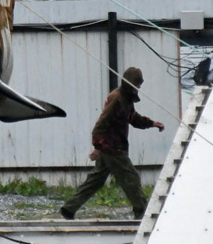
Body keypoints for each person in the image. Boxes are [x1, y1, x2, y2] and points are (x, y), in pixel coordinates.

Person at [60, 67, 165, 220]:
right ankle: (142, 212)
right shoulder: (117, 99)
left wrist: (152, 123)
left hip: (111, 146)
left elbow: (133, 117)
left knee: (95, 180)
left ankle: (68, 208)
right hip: (112, 148)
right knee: (131, 178)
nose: (139, 88)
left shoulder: (126, 98)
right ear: (130, 83)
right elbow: (101, 125)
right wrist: (97, 147)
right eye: (137, 84)